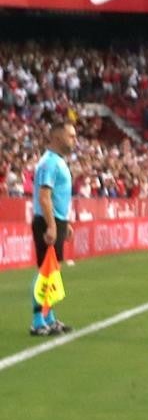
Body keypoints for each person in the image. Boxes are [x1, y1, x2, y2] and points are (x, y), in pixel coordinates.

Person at [30, 121, 75, 336]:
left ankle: (49, 317)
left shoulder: (58, 161)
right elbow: (44, 197)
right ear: (57, 138)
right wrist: (51, 225)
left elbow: (57, 197)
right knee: (45, 271)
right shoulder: (48, 163)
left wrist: (65, 223)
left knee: (52, 272)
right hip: (47, 221)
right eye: (70, 136)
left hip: (57, 220)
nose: (74, 140)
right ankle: (38, 320)